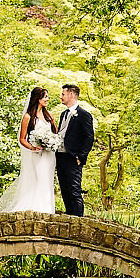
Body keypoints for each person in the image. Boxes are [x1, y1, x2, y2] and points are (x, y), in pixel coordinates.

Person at [0, 86, 57, 214]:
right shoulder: (28, 117)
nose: (47, 99)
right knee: (39, 179)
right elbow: (22, 139)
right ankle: (37, 209)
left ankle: (48, 210)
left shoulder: (49, 116)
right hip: (37, 155)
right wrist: (33, 147)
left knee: (48, 181)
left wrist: (52, 142)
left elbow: (56, 133)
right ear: (38, 99)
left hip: (49, 155)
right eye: (45, 97)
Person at [54, 84, 94, 216]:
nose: (61, 97)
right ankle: (69, 218)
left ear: (71, 95)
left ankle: (78, 220)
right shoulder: (63, 114)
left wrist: (80, 157)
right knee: (64, 189)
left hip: (73, 158)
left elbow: (89, 137)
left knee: (74, 190)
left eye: (63, 94)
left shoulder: (84, 115)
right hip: (60, 157)